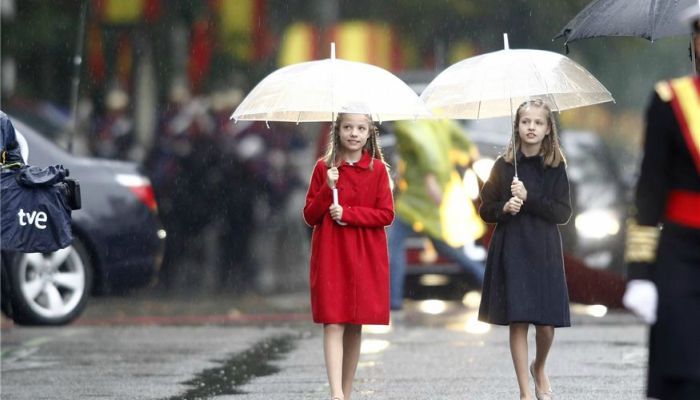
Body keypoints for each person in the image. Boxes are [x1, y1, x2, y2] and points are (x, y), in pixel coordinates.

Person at [622, 6, 700, 399]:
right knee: (683, 376)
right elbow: (650, 190)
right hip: (682, 255)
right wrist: (640, 271)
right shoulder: (670, 101)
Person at [478, 99, 572, 400]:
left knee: (545, 326)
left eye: (538, 123)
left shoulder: (555, 167)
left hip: (543, 250)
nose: (531, 127)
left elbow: (562, 213)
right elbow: (485, 209)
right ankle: (524, 392)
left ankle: (539, 366)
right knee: (517, 319)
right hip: (512, 248)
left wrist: (528, 198)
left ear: (548, 130)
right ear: (517, 126)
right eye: (525, 122)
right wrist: (505, 206)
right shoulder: (503, 166)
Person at [303, 112, 394, 400]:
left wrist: (349, 213)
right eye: (347, 127)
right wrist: (327, 190)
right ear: (337, 131)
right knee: (334, 320)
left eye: (360, 128)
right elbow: (310, 215)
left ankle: (347, 390)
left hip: (365, 255)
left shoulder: (378, 170)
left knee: (355, 323)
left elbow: (386, 214)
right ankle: (335, 394)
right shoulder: (323, 169)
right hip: (332, 254)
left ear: (369, 133)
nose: (353, 133)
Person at [388, 118, 485, 311]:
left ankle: (394, 301)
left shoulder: (406, 123)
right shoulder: (440, 119)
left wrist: (429, 178)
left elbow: (426, 148)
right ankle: (488, 283)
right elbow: (461, 140)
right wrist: (473, 155)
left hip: (418, 196)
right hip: (432, 192)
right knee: (443, 247)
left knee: (394, 243)